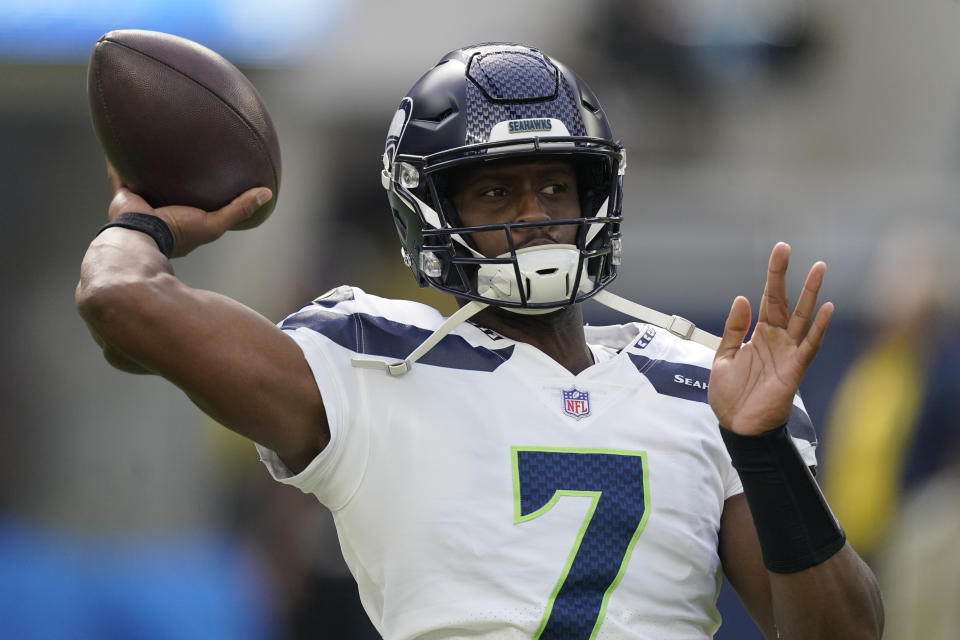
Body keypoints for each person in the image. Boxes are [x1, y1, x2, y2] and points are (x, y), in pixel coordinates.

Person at [76, 43, 883, 639]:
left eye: (557, 184)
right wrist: (143, 222)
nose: (536, 213)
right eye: (497, 190)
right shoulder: (370, 359)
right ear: (431, 212)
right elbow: (121, 302)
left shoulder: (704, 380)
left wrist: (764, 447)